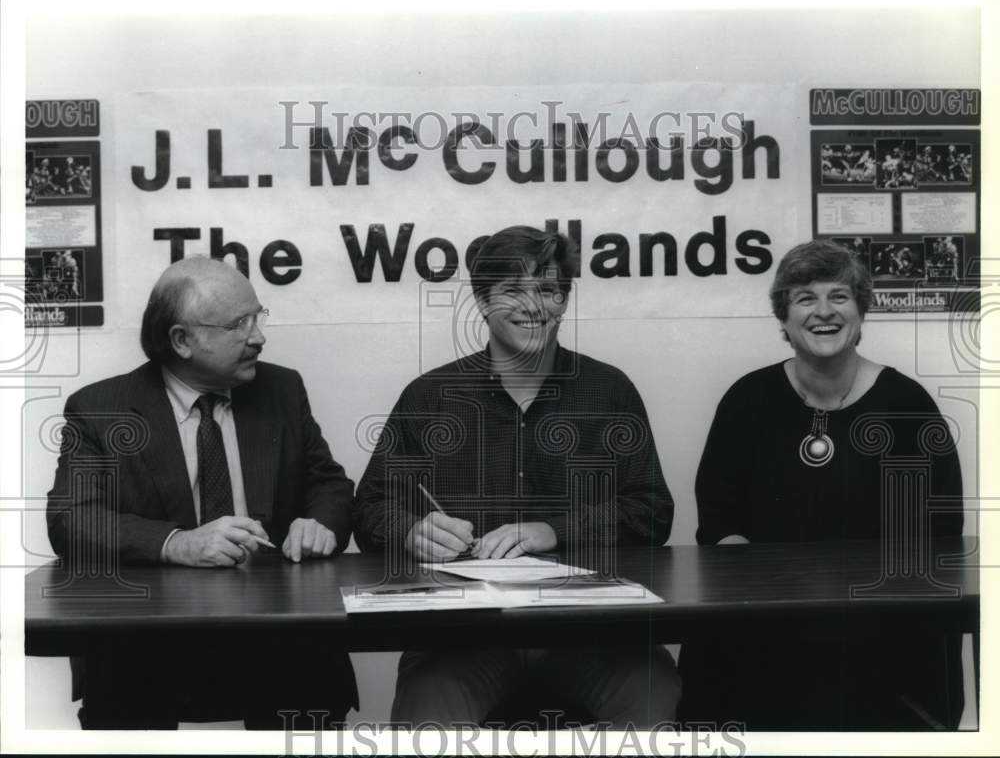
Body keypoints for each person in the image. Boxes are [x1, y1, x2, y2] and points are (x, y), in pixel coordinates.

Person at [354, 226, 680, 728]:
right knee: (426, 714)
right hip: (463, 638)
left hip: (595, 633)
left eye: (548, 289)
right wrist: (411, 532)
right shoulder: (429, 395)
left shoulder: (609, 390)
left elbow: (653, 512)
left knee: (656, 691)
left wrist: (552, 531)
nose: (534, 305)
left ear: (564, 302)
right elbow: (371, 508)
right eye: (512, 290)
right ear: (482, 302)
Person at [46, 256, 358, 729]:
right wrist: (178, 542)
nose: (258, 336)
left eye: (258, 317)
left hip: (277, 636)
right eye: (239, 324)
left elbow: (328, 484)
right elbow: (72, 521)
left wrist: (320, 523)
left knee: (308, 692)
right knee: (125, 700)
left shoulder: (281, 389)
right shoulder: (100, 409)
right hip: (148, 641)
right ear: (182, 340)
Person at [677, 239, 965, 730]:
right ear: (783, 320)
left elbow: (937, 533)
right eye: (805, 298)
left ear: (860, 312)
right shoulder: (747, 400)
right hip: (764, 623)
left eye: (839, 296)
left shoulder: (908, 406)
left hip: (877, 627)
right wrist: (756, 589)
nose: (823, 312)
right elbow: (719, 521)